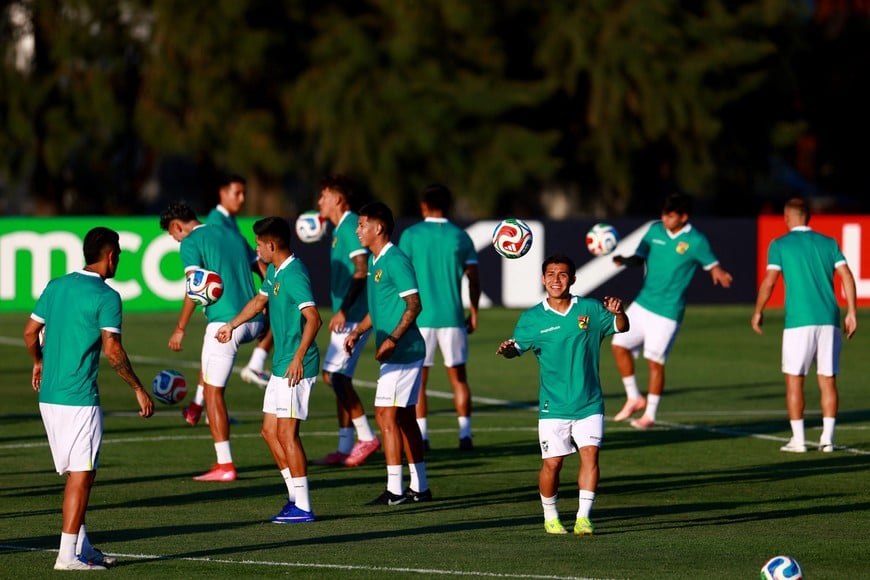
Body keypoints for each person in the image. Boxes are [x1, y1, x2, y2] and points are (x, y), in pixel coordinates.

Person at [23, 227, 155, 570]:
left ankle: (82, 546)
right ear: (111, 256)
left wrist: (39, 361)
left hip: (49, 397)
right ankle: (67, 556)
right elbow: (113, 351)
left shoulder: (56, 285)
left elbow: (29, 332)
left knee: (79, 475)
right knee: (82, 475)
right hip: (79, 397)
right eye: (119, 256)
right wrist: (138, 388)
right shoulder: (107, 296)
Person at [496, 255, 628, 536]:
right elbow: (515, 349)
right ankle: (551, 515)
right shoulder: (531, 318)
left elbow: (621, 326)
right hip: (552, 405)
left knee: (591, 458)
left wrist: (619, 312)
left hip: (589, 402)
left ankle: (583, 518)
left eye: (563, 274)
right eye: (551, 274)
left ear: (573, 279)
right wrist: (508, 350)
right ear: (543, 279)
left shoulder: (591, 309)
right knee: (552, 465)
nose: (557, 279)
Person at [216, 217, 322, 522]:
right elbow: (259, 300)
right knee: (268, 432)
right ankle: (294, 497)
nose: (256, 248)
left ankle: (303, 505)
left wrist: (298, 357)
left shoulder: (294, 274)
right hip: (280, 365)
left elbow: (314, 319)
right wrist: (232, 325)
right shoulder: (274, 270)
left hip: (296, 366)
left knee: (288, 434)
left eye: (259, 244)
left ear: (271, 245)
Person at [160, 201, 265, 481]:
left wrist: (180, 328)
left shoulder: (191, 242)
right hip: (254, 320)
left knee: (214, 393)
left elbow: (194, 288)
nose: (175, 239)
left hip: (226, 324)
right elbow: (263, 271)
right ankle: (195, 406)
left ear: (178, 226)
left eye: (173, 234)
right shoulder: (233, 235)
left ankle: (225, 465)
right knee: (209, 362)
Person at [610, 192, 733, 429]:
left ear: (684, 216)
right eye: (664, 214)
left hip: (667, 312)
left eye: (671, 215)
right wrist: (624, 260)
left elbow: (712, 264)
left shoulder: (696, 241)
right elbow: (638, 258)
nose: (665, 219)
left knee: (655, 362)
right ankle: (634, 397)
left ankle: (650, 415)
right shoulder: (655, 231)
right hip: (643, 304)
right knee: (618, 345)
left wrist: (718, 271)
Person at [751, 198, 857, 453]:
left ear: (787, 218)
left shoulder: (780, 244)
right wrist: (852, 311)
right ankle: (827, 439)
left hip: (798, 321)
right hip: (829, 319)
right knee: (828, 380)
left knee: (794, 381)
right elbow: (846, 275)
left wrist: (758, 311)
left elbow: (769, 282)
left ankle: (798, 440)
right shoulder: (828, 242)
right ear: (808, 217)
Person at [344, 201, 432, 505]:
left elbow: (414, 304)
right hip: (396, 353)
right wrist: (357, 332)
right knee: (406, 419)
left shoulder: (394, 260)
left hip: (404, 352)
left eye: (361, 224)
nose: (357, 231)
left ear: (378, 228)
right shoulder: (376, 260)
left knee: (385, 415)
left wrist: (393, 338)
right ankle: (420, 486)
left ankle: (395, 490)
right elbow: (378, 308)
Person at [398, 183, 480, 451]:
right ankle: (465, 434)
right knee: (459, 377)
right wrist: (474, 312)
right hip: (453, 317)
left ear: (424, 206)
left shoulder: (411, 234)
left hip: (419, 318)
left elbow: (401, 276)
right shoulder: (460, 236)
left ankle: (422, 436)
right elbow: (473, 278)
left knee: (420, 379)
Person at [313, 175, 380, 467]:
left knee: (334, 376)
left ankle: (366, 438)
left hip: (354, 316)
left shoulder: (353, 226)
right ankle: (344, 446)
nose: (319, 202)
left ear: (337, 199)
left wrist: (344, 310)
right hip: (348, 315)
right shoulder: (340, 228)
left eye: (324, 195)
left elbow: (361, 269)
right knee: (338, 377)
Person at [204, 173, 274, 391]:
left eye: (244, 193)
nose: (242, 199)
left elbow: (254, 262)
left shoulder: (229, 222)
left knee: (214, 359)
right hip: (228, 302)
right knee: (216, 363)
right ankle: (255, 364)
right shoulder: (217, 223)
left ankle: (199, 406)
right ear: (222, 194)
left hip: (230, 302)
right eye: (238, 193)